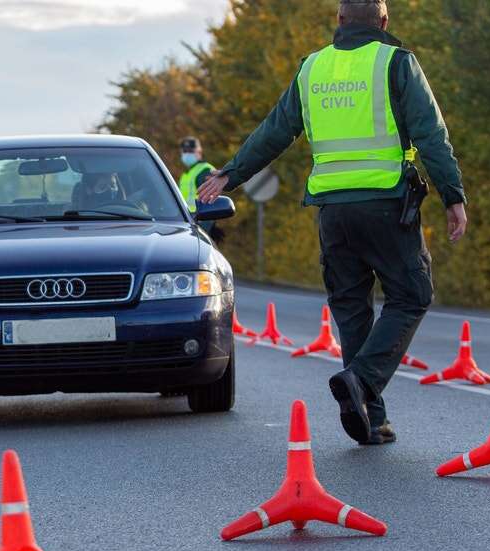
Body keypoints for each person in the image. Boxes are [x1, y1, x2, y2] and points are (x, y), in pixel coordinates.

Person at [197, 0, 467, 445]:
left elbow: (276, 130)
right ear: (383, 22)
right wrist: (452, 196)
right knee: (412, 293)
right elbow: (430, 134)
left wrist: (232, 173)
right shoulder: (396, 62)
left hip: (332, 212)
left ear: (339, 21)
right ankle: (362, 379)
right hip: (385, 204)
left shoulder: (312, 68)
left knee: (350, 307)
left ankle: (370, 416)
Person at [177, 137, 225, 241]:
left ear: (199, 151)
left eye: (190, 151)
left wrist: (204, 230)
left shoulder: (205, 171)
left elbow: (210, 203)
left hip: (199, 225)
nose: (187, 154)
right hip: (185, 224)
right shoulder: (185, 175)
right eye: (184, 151)